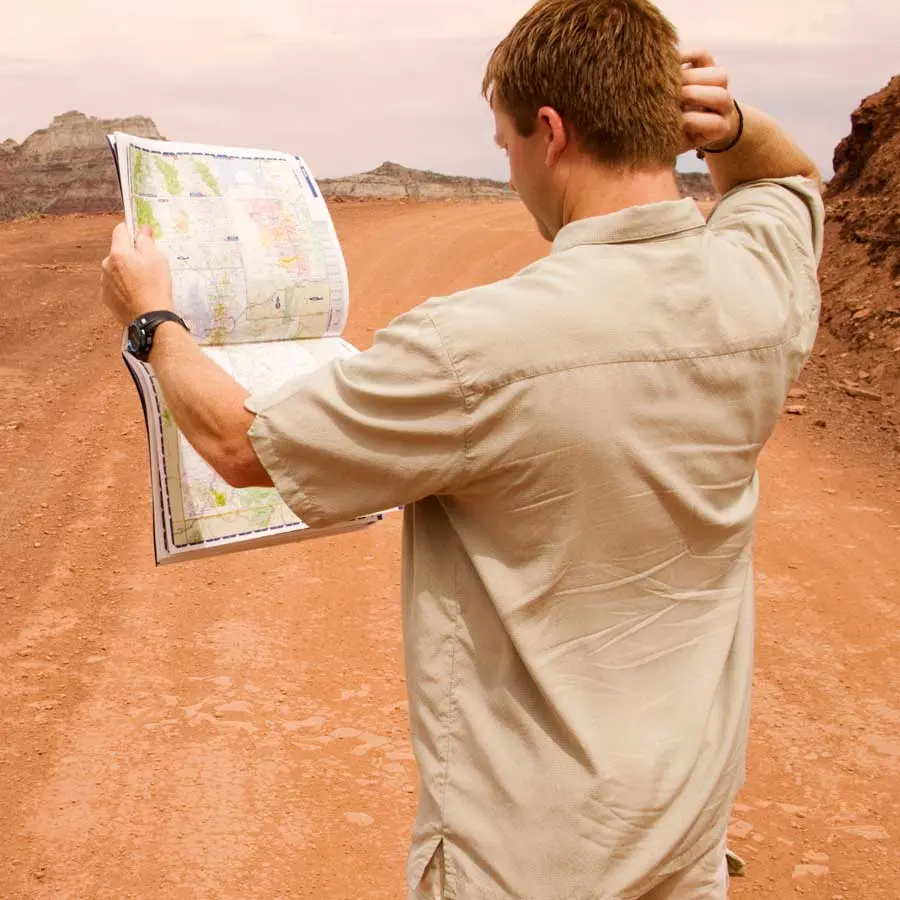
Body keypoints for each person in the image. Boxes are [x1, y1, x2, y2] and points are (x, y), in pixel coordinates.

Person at [100, 0, 823, 896]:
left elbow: (246, 449)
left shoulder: (479, 345)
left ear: (549, 132)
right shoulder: (757, 285)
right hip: (683, 844)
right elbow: (787, 185)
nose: (508, 163)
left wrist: (152, 320)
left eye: (505, 140)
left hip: (523, 860)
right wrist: (740, 127)